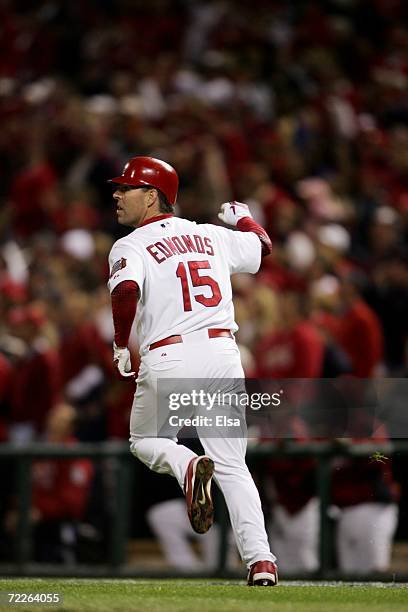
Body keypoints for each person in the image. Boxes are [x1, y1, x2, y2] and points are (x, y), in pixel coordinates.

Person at [107, 156, 277, 586]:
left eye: (126, 188)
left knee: (145, 441)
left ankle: (185, 467)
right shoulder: (209, 234)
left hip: (170, 355)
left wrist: (120, 342)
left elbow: (126, 290)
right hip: (222, 353)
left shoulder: (130, 244)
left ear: (151, 197)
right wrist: (245, 218)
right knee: (233, 465)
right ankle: (261, 563)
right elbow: (263, 247)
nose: (116, 194)